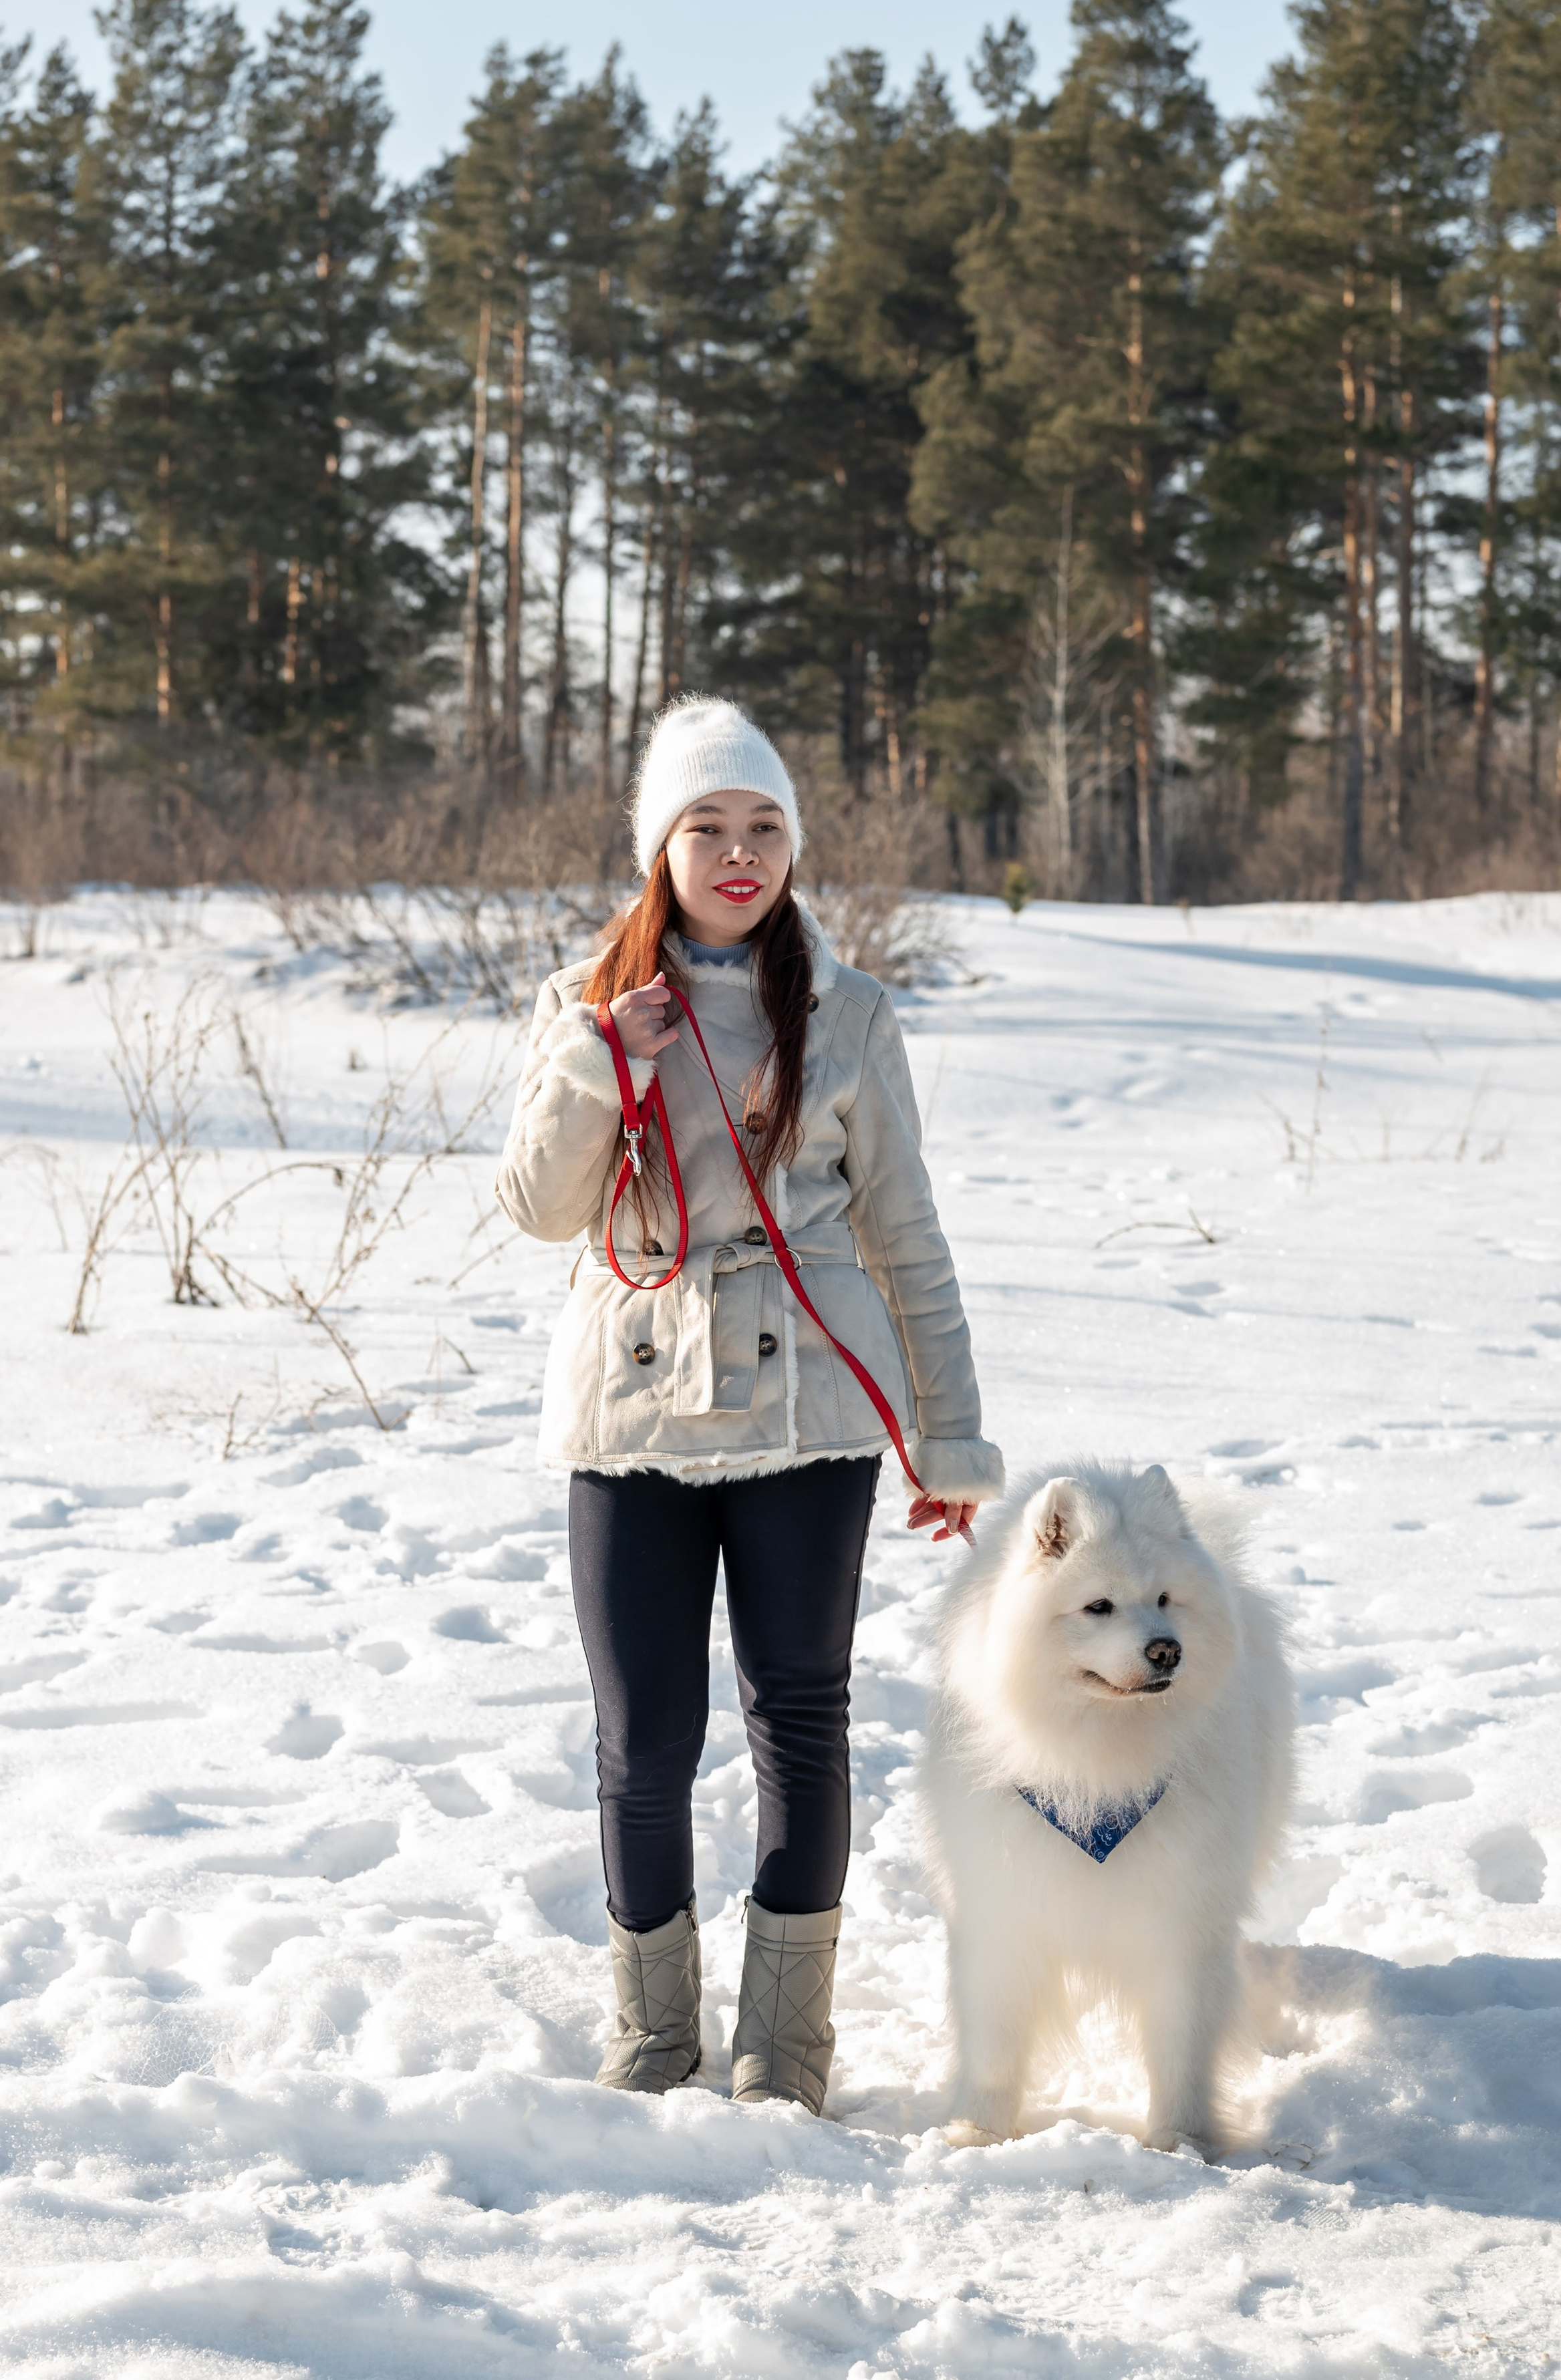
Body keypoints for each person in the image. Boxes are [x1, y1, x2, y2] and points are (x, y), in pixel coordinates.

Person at [495, 696, 1002, 2114]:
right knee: (643, 1735)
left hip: (808, 1419)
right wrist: (606, 1057)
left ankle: (788, 2048)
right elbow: (538, 1210)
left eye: (764, 827)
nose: (739, 853)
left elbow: (905, 1236)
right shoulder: (582, 1002)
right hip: (632, 1413)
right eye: (707, 827)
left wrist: (948, 1439)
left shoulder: (848, 1011)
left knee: (799, 1717)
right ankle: (655, 2038)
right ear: (659, 847)